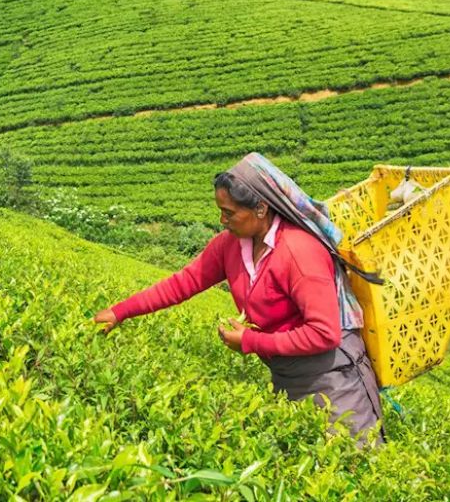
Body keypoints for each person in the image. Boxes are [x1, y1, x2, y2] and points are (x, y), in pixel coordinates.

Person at [93, 152, 383, 444]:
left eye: (229, 212)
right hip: (286, 373)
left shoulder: (299, 253)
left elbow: (324, 334)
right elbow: (183, 283)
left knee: (351, 458)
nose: (222, 220)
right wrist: (120, 312)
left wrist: (250, 342)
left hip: (334, 379)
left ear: (260, 208)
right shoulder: (230, 246)